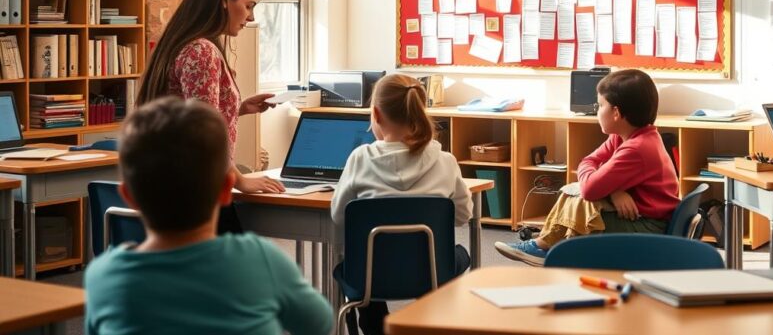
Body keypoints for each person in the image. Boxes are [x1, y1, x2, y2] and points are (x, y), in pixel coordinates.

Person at [84, 97, 334, 335]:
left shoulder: (103, 277)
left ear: (129, 197)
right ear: (227, 190)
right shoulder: (260, 260)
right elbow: (319, 323)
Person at [331, 73, 472, 335]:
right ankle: (428, 319)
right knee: (461, 255)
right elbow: (463, 215)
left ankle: (376, 327)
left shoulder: (359, 159)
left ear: (376, 114)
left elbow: (340, 216)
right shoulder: (445, 161)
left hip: (370, 277)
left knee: (354, 265)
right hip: (432, 271)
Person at [495, 69, 679, 266]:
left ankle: (554, 251)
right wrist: (615, 191)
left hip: (649, 226)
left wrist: (607, 187)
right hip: (638, 216)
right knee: (575, 192)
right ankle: (546, 247)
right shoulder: (624, 136)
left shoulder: (637, 148)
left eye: (600, 105)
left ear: (616, 113)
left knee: (580, 199)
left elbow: (590, 189)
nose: (597, 111)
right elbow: (586, 162)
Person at [137, 0, 283, 195]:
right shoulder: (201, 50)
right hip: (193, 190)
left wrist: (238, 108)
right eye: (248, 6)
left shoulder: (180, 43)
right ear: (225, 0)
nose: (251, 17)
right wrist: (241, 181)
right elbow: (204, 134)